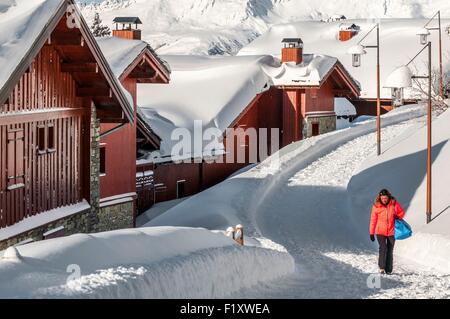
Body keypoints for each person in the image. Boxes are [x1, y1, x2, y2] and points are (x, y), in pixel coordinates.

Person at [369, 189, 405, 275]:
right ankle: (382, 268)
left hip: (391, 232)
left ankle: (389, 269)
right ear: (380, 198)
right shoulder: (376, 206)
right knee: (383, 248)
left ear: (388, 197)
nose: (384, 200)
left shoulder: (393, 203)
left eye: (385, 198)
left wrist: (397, 216)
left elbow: (401, 212)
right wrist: (371, 232)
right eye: (382, 198)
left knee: (390, 250)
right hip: (380, 231)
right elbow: (373, 220)